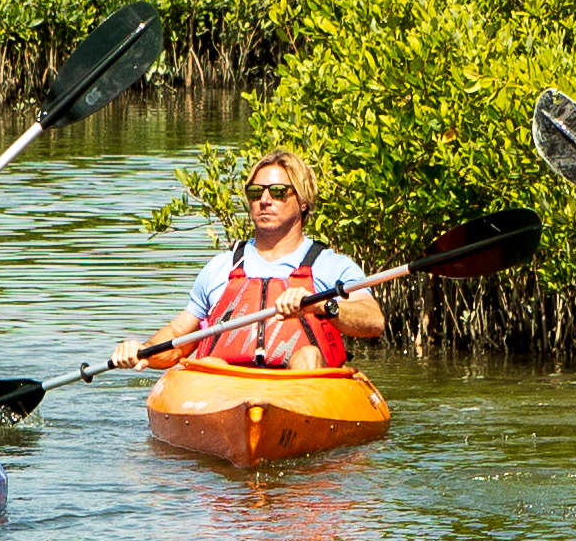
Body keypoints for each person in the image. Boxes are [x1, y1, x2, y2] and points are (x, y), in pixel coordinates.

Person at [125, 146, 384, 374]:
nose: (264, 200)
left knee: (308, 356)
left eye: (279, 192)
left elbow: (374, 322)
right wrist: (142, 350)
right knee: (212, 363)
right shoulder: (221, 267)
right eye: (255, 192)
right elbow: (177, 338)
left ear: (303, 202)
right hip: (227, 394)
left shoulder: (331, 266)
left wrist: (323, 305)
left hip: (301, 392)